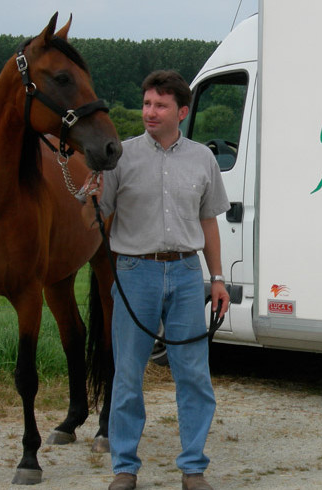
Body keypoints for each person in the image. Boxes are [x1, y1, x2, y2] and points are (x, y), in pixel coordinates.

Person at [80, 70, 230, 490]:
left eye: (160, 105)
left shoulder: (202, 158)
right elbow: (93, 220)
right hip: (133, 272)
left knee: (194, 376)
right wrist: (88, 195)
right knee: (128, 375)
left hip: (185, 273)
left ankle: (193, 468)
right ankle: (124, 468)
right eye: (146, 103)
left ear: (181, 112)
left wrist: (216, 278)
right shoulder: (119, 156)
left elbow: (209, 222)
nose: (150, 111)